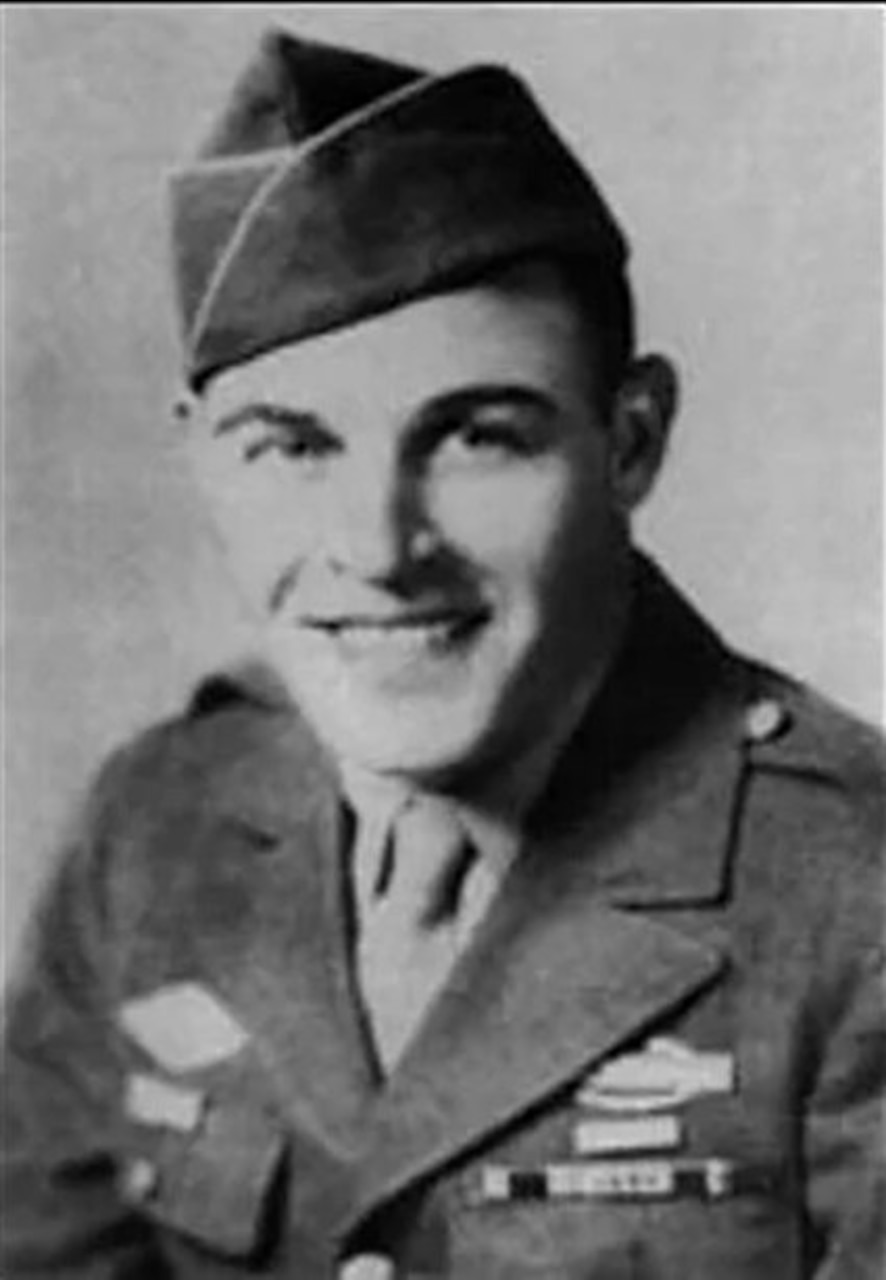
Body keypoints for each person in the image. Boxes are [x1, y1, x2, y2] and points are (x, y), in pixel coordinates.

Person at [2, 28, 883, 1280]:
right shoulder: (153, 831)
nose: (377, 547)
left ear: (631, 441)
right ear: (200, 455)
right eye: (290, 446)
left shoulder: (854, 893)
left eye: (476, 436)